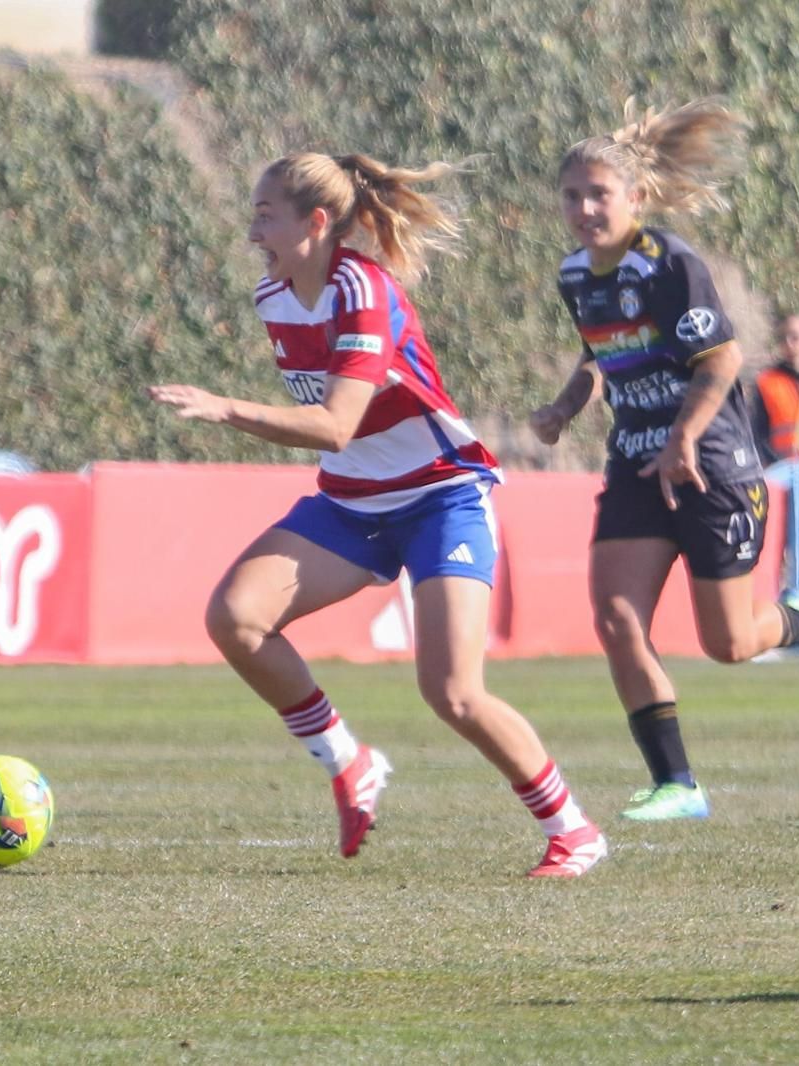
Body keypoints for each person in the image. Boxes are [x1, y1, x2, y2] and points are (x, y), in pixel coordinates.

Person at [148, 151, 606, 878]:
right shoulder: (274, 295)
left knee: (453, 691)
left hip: (440, 495)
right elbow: (342, 444)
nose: (252, 227)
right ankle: (348, 761)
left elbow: (335, 424)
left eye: (266, 213)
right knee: (233, 617)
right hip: (353, 502)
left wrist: (225, 407)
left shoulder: (363, 289)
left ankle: (573, 829)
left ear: (317, 223)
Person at [527, 100, 799, 823]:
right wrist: (563, 406)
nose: (583, 208)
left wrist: (681, 438)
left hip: (712, 464)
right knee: (616, 619)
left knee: (730, 643)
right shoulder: (576, 274)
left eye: (599, 194)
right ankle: (678, 783)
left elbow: (720, 359)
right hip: (638, 465)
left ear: (635, 198)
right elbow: (599, 354)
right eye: (572, 195)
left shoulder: (668, 261)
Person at [752, 314, 799, 465]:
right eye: (783, 338)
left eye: (795, 337)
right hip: (781, 471)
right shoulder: (767, 382)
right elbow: (759, 434)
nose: (788, 344)